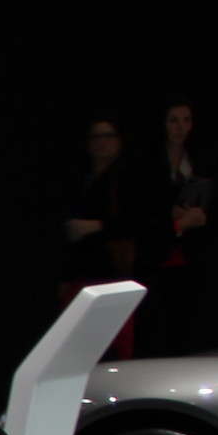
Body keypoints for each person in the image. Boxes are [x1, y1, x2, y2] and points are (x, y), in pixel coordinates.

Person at [132, 102, 211, 355]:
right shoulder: (147, 163)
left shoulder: (197, 159)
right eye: (173, 120)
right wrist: (173, 220)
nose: (180, 127)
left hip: (189, 258)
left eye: (186, 120)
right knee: (151, 332)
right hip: (155, 258)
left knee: (184, 332)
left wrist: (196, 216)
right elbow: (139, 215)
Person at [62, 118, 137, 359]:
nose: (102, 142)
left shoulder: (125, 177)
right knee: (74, 343)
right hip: (83, 273)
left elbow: (137, 222)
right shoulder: (83, 179)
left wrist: (94, 226)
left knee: (119, 344)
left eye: (108, 136)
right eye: (96, 137)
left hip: (113, 273)